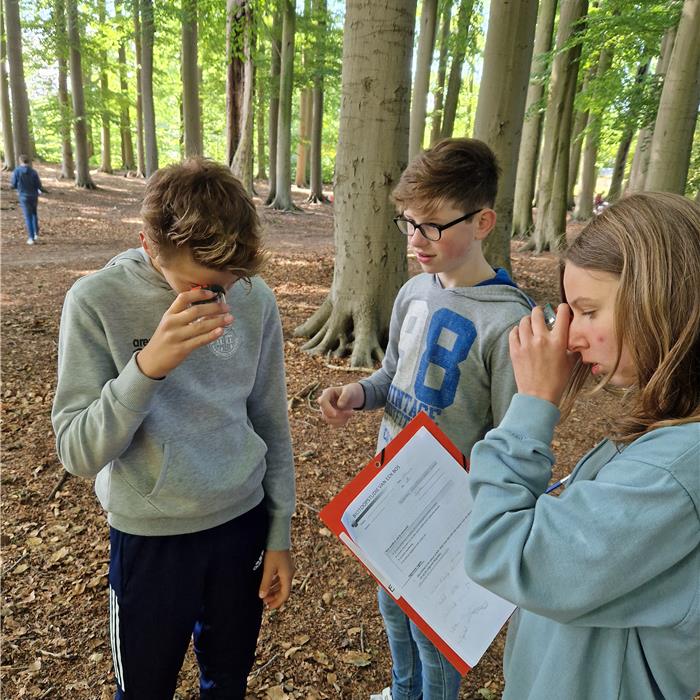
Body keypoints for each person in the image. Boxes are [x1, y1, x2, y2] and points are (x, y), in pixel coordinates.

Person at [51, 157, 296, 699]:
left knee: (227, 680)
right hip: (150, 538)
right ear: (148, 244)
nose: (216, 298)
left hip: (241, 524)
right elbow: (76, 450)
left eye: (226, 285)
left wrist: (278, 531)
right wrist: (148, 368)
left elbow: (270, 419)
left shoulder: (254, 297)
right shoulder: (95, 303)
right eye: (198, 284)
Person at [317, 138, 534, 700]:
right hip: (393, 492)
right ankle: (399, 689)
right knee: (393, 606)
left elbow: (515, 438)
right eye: (408, 223)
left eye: (433, 225)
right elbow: (391, 378)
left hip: (452, 513)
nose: (415, 240)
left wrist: (486, 508)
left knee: (435, 632)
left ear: (483, 220)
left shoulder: (509, 322)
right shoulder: (413, 292)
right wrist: (355, 395)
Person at [464, 192, 700, 699]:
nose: (571, 337)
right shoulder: (673, 435)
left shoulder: (675, 473)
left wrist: (532, 405)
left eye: (589, 312)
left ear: (661, 298)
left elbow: (504, 553)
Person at [10, 154, 44, 245]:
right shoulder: (33, 172)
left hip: (23, 196)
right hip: (34, 196)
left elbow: (13, 184)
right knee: (34, 214)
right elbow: (39, 185)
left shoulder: (17, 171)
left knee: (28, 216)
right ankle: (36, 233)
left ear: (20, 161)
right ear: (28, 161)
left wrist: (17, 187)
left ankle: (31, 238)